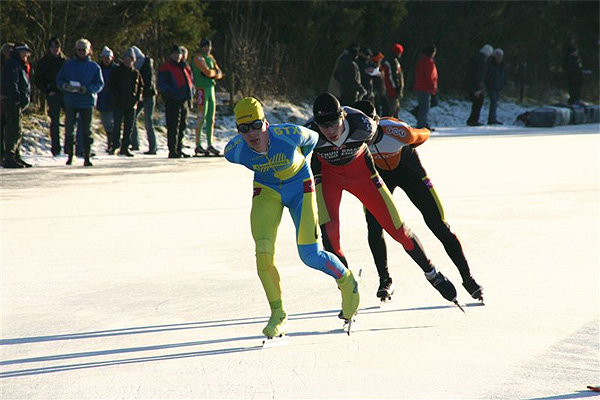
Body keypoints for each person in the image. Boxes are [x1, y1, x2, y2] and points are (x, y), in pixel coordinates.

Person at [224, 97, 360, 337]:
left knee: (310, 255)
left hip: (300, 188)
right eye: (244, 128)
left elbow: (314, 140)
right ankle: (278, 314)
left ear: (266, 123)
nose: (251, 133)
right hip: (267, 192)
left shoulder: (290, 134)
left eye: (256, 125)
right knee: (263, 255)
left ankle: (347, 281)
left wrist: (298, 166)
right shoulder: (235, 151)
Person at [307, 92, 460, 306]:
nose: (330, 131)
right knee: (329, 235)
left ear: (343, 115)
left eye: (333, 123)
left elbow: (391, 141)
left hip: (362, 173)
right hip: (329, 177)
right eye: (324, 126)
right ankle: (347, 288)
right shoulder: (310, 132)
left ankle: (432, 273)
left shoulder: (363, 125)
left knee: (398, 229)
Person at [353, 100, 484, 302]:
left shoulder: (396, 131)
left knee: (438, 224)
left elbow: (423, 134)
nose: (363, 134)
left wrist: (413, 135)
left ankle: (468, 278)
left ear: (376, 122)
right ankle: (385, 280)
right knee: (374, 225)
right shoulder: (350, 136)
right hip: (380, 176)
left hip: (409, 171)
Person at [56, 38, 104, 166]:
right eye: (79, 50)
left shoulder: (94, 67)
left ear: (89, 51)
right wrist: (65, 86)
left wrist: (87, 89)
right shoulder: (68, 64)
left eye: (84, 50)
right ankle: (70, 155)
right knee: (69, 129)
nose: (81, 52)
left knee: (87, 130)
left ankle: (86, 156)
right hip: (71, 101)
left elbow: (99, 84)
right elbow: (59, 80)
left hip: (87, 101)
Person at [158, 44, 193, 159]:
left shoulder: (185, 66)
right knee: (173, 126)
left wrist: (190, 95)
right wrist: (172, 93)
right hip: (173, 100)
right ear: (171, 55)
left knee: (183, 125)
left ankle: (179, 148)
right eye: (175, 54)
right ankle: (172, 149)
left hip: (184, 100)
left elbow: (190, 82)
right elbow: (162, 84)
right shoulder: (166, 67)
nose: (177, 56)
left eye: (179, 54)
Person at [107, 47, 143, 157]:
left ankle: (125, 147)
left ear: (134, 61)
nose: (128, 61)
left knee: (129, 128)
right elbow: (111, 86)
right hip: (119, 103)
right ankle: (114, 146)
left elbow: (140, 87)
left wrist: (137, 99)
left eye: (130, 59)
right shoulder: (116, 71)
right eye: (126, 59)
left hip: (131, 104)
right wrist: (116, 97)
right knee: (117, 126)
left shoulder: (136, 73)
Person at [1, 43, 32, 168]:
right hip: (12, 101)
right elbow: (11, 83)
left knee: (17, 129)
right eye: (24, 52)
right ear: (19, 52)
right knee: (13, 129)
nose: (26, 55)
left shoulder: (17, 64)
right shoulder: (12, 64)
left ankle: (15, 155)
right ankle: (9, 156)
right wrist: (17, 97)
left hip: (16, 101)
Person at [191, 38, 223, 157]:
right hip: (202, 90)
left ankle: (210, 143)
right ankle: (198, 144)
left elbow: (219, 73)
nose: (207, 49)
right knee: (201, 117)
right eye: (205, 46)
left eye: (209, 46)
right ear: (201, 47)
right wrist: (213, 73)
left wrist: (212, 73)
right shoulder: (198, 58)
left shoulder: (211, 58)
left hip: (211, 89)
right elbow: (208, 72)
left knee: (211, 118)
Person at [34, 37, 67, 156]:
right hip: (53, 93)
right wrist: (47, 90)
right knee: (55, 122)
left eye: (57, 47)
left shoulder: (65, 61)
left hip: (66, 93)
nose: (55, 49)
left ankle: (68, 147)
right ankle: (56, 148)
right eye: (53, 47)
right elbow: (38, 80)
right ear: (49, 48)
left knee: (70, 121)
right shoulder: (44, 62)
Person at [130, 46, 158, 155]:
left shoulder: (146, 65)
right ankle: (135, 143)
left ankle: (153, 147)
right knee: (132, 118)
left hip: (149, 96)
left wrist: (141, 94)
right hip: (140, 96)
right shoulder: (138, 66)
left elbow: (148, 83)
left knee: (148, 121)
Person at [465, 44, 493, 126]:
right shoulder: (481, 60)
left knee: (478, 101)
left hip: (472, 83)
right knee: (478, 101)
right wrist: (477, 88)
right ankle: (473, 120)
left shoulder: (476, 58)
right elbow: (479, 75)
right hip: (475, 85)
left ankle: (473, 119)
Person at [96, 46, 118, 153]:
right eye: (104, 57)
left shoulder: (117, 69)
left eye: (108, 57)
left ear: (112, 58)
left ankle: (113, 144)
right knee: (106, 122)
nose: (106, 59)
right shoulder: (98, 68)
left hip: (114, 99)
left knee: (114, 123)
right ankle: (111, 143)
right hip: (102, 99)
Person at [412, 44, 438, 130]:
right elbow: (429, 76)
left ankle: (422, 122)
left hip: (421, 87)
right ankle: (422, 125)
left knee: (424, 105)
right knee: (425, 107)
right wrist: (433, 86)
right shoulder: (428, 62)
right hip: (426, 87)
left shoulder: (421, 61)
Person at [1, 42, 15, 166]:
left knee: (11, 128)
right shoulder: (4, 66)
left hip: (9, 102)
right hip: (3, 102)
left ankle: (13, 154)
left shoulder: (15, 65)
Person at [381, 43, 405, 118]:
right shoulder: (392, 62)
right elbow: (392, 76)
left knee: (394, 108)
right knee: (392, 109)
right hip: (391, 89)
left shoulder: (389, 60)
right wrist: (397, 88)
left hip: (390, 89)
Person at [485, 48, 505, 125]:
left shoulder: (502, 65)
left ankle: (493, 118)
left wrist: (503, 83)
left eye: (500, 56)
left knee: (495, 102)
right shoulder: (490, 64)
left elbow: (502, 75)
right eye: (498, 55)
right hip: (491, 85)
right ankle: (491, 119)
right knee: (493, 101)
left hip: (498, 86)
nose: (499, 57)